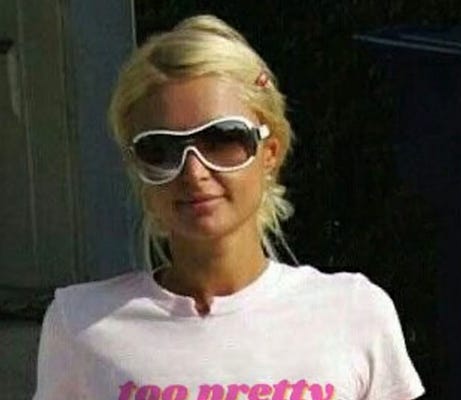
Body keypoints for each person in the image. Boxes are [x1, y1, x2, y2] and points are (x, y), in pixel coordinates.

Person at [33, 15, 425, 400]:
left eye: (222, 139)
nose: (194, 171)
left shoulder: (353, 312)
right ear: (137, 166)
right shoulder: (81, 323)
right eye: (161, 150)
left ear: (270, 152)